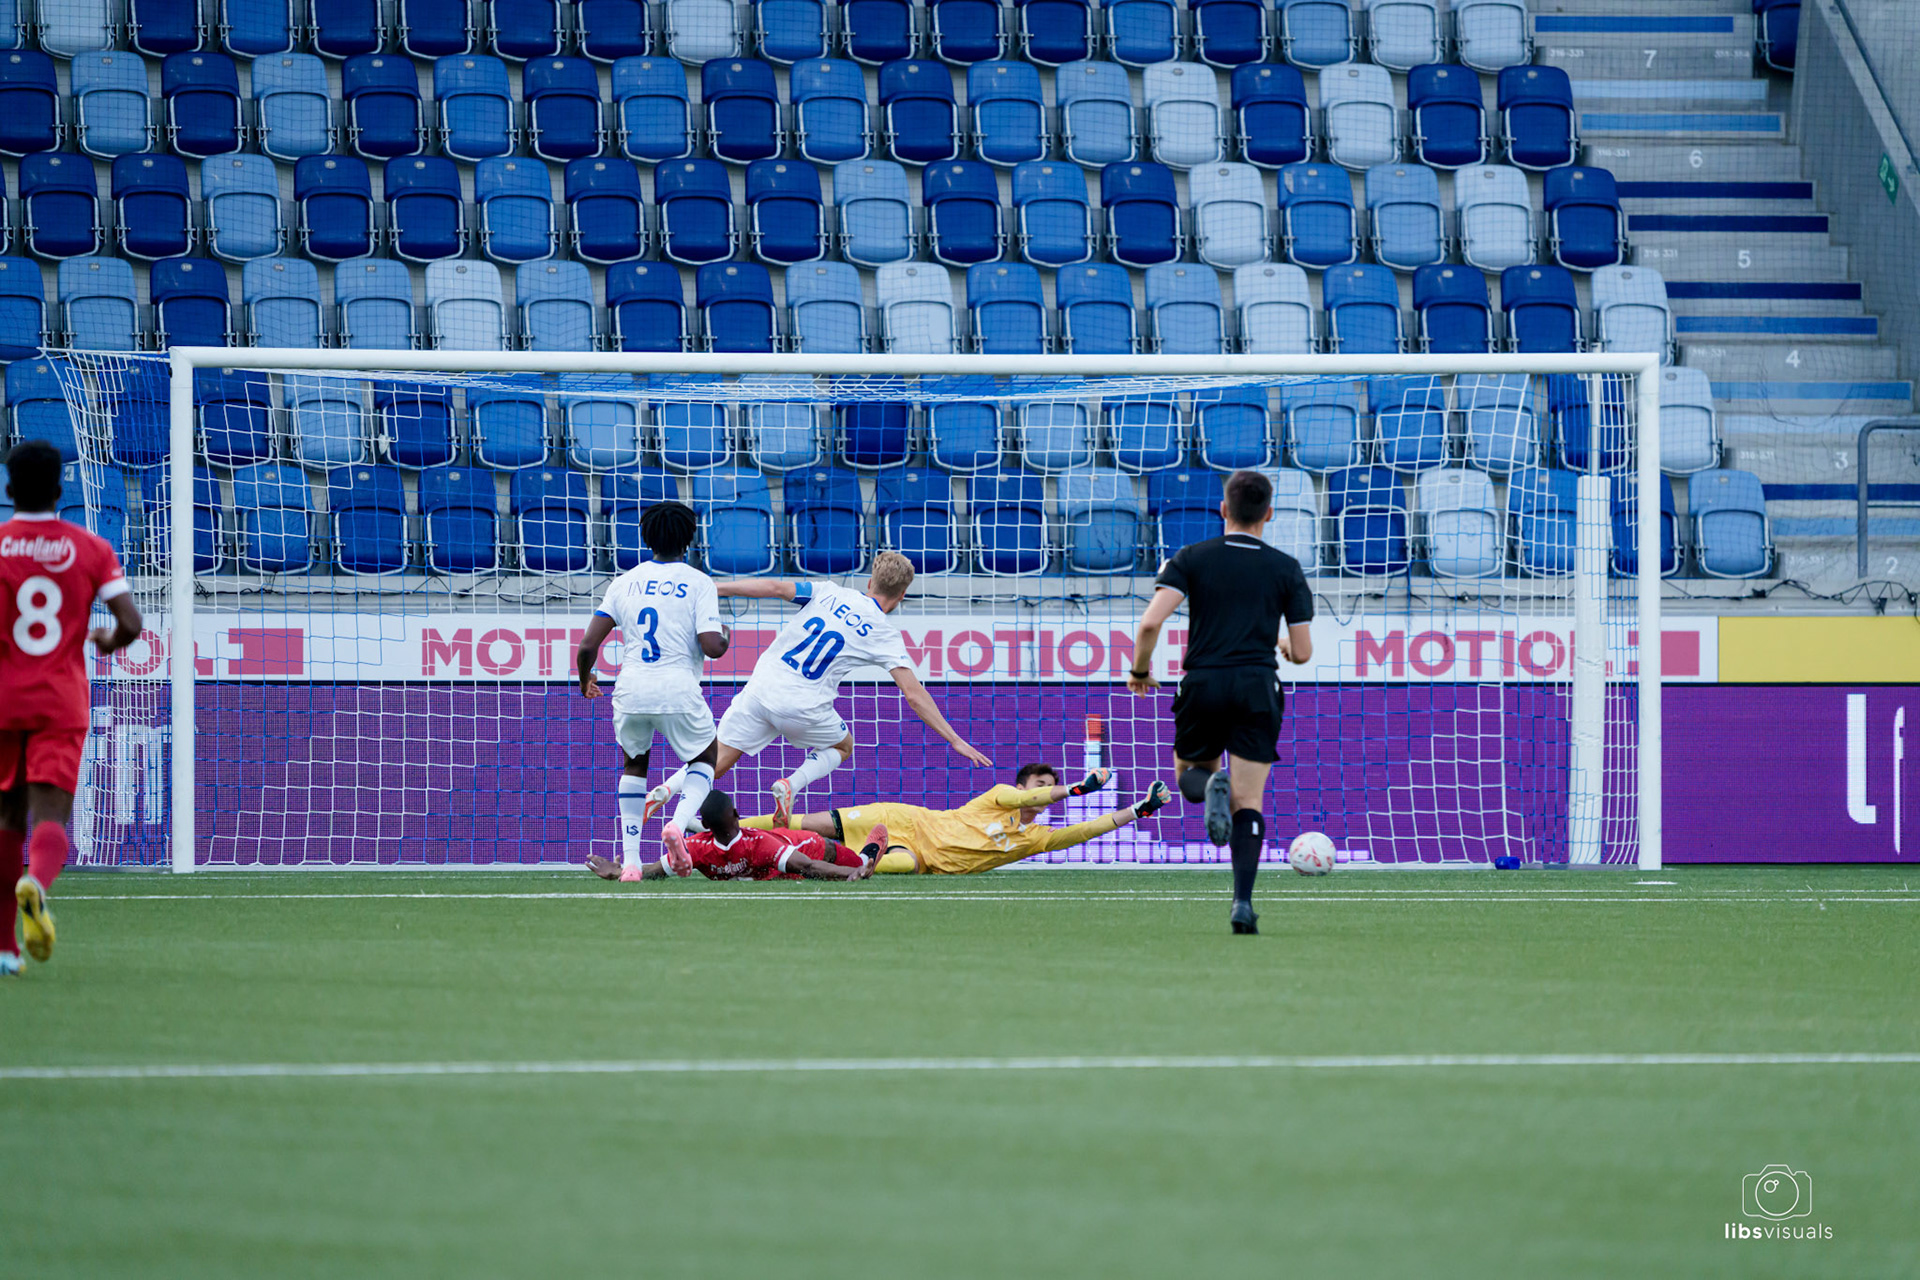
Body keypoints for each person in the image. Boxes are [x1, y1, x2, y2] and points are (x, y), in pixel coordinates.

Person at [645, 551, 992, 828]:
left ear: (869, 581)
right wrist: (954, 739)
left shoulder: (828, 591)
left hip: (761, 688)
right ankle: (791, 785)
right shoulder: (885, 632)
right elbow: (914, 695)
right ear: (901, 596)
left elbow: (775, 589)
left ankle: (665, 789)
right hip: (803, 705)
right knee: (843, 745)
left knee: (716, 761)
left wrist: (714, 589)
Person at [1126, 469, 1314, 936]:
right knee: (1249, 800)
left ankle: (1208, 785)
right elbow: (1304, 651)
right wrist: (1285, 646)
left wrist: (1140, 670)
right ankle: (1243, 903)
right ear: (1268, 514)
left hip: (1204, 682)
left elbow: (1150, 624)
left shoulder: (1192, 557)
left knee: (1190, 771)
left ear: (1224, 510)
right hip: (1257, 685)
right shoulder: (1285, 567)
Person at [1, 442, 144, 974]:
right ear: (61, 489)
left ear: (9, 488)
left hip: (3, 698)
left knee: (5, 817)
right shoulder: (90, 548)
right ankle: (35, 884)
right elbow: (130, 623)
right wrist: (105, 641)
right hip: (60, 699)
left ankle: (4, 949)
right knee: (50, 815)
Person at [575, 501, 728, 881]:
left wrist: (585, 679)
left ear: (646, 538)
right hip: (676, 686)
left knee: (634, 765)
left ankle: (629, 863)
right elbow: (711, 646)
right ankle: (677, 825)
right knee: (707, 756)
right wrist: (725, 637)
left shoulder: (624, 582)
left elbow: (587, 647)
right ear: (689, 540)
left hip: (630, 688)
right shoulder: (698, 582)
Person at [743, 763, 1172, 875]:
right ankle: (729, 825)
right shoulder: (999, 796)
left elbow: (1083, 831)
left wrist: (1139, 811)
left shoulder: (1035, 837)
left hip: (919, 856)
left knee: (872, 866)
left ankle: (792, 865)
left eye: (1049, 787)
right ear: (1023, 787)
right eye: (1039, 785)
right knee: (802, 822)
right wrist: (1078, 789)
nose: (1043, 793)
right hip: (903, 818)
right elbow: (1045, 793)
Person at [584, 789, 882, 883]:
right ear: (737, 814)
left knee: (828, 849)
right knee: (799, 874)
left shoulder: (695, 847)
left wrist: (853, 871)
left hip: (795, 845)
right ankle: (861, 860)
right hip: (771, 869)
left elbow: (809, 864)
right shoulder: (696, 848)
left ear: (705, 826)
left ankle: (866, 854)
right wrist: (624, 872)